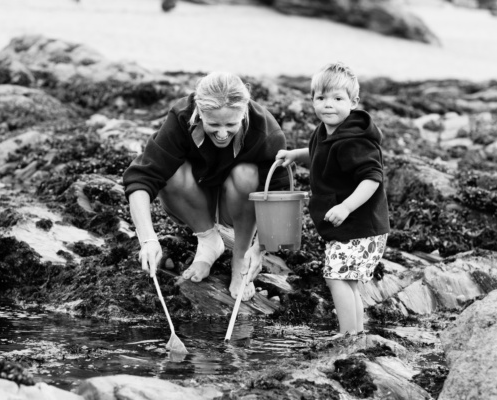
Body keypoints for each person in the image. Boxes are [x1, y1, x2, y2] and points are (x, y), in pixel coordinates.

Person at [123, 71, 289, 301]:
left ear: (244, 112)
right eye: (213, 124)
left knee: (246, 174)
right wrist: (148, 239)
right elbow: (141, 178)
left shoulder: (266, 132)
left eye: (231, 124)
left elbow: (280, 197)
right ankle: (209, 241)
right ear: (199, 113)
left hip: (239, 206)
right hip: (195, 200)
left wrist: (259, 249)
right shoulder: (181, 116)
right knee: (170, 171)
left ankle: (239, 256)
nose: (222, 134)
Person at [276, 62, 390, 335]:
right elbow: (319, 151)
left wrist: (346, 206)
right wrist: (296, 154)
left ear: (353, 102)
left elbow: (372, 178)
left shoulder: (355, 141)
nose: (328, 105)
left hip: (361, 226)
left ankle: (347, 335)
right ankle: (355, 334)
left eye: (338, 99)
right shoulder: (325, 131)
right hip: (351, 228)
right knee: (347, 280)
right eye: (321, 98)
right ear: (313, 100)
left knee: (336, 278)